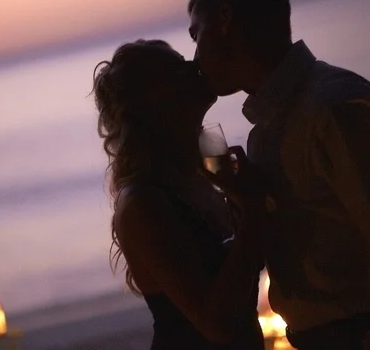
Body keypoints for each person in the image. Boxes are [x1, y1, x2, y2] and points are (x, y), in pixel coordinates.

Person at [188, 0, 370, 350]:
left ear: (225, 20)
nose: (195, 57)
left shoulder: (336, 108)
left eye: (196, 35)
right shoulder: (268, 132)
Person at [92, 39, 265, 349]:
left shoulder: (202, 170)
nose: (194, 66)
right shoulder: (143, 203)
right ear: (149, 103)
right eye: (175, 68)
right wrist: (251, 211)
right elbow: (216, 326)